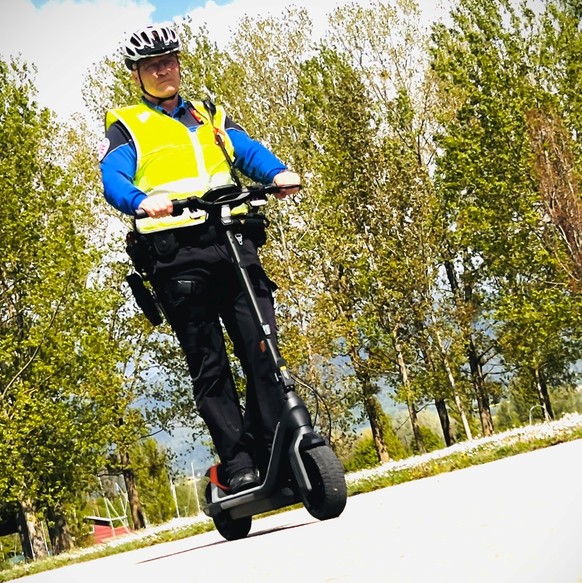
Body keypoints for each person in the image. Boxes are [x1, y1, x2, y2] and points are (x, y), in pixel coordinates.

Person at [98, 23, 301, 494]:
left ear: (179, 64)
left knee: (263, 348)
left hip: (232, 240)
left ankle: (274, 446)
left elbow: (245, 151)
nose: (164, 70)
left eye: (169, 61)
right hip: (177, 255)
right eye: (153, 65)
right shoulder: (127, 125)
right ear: (138, 77)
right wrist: (139, 200)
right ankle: (237, 463)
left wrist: (278, 172)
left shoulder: (208, 114)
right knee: (209, 363)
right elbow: (113, 176)